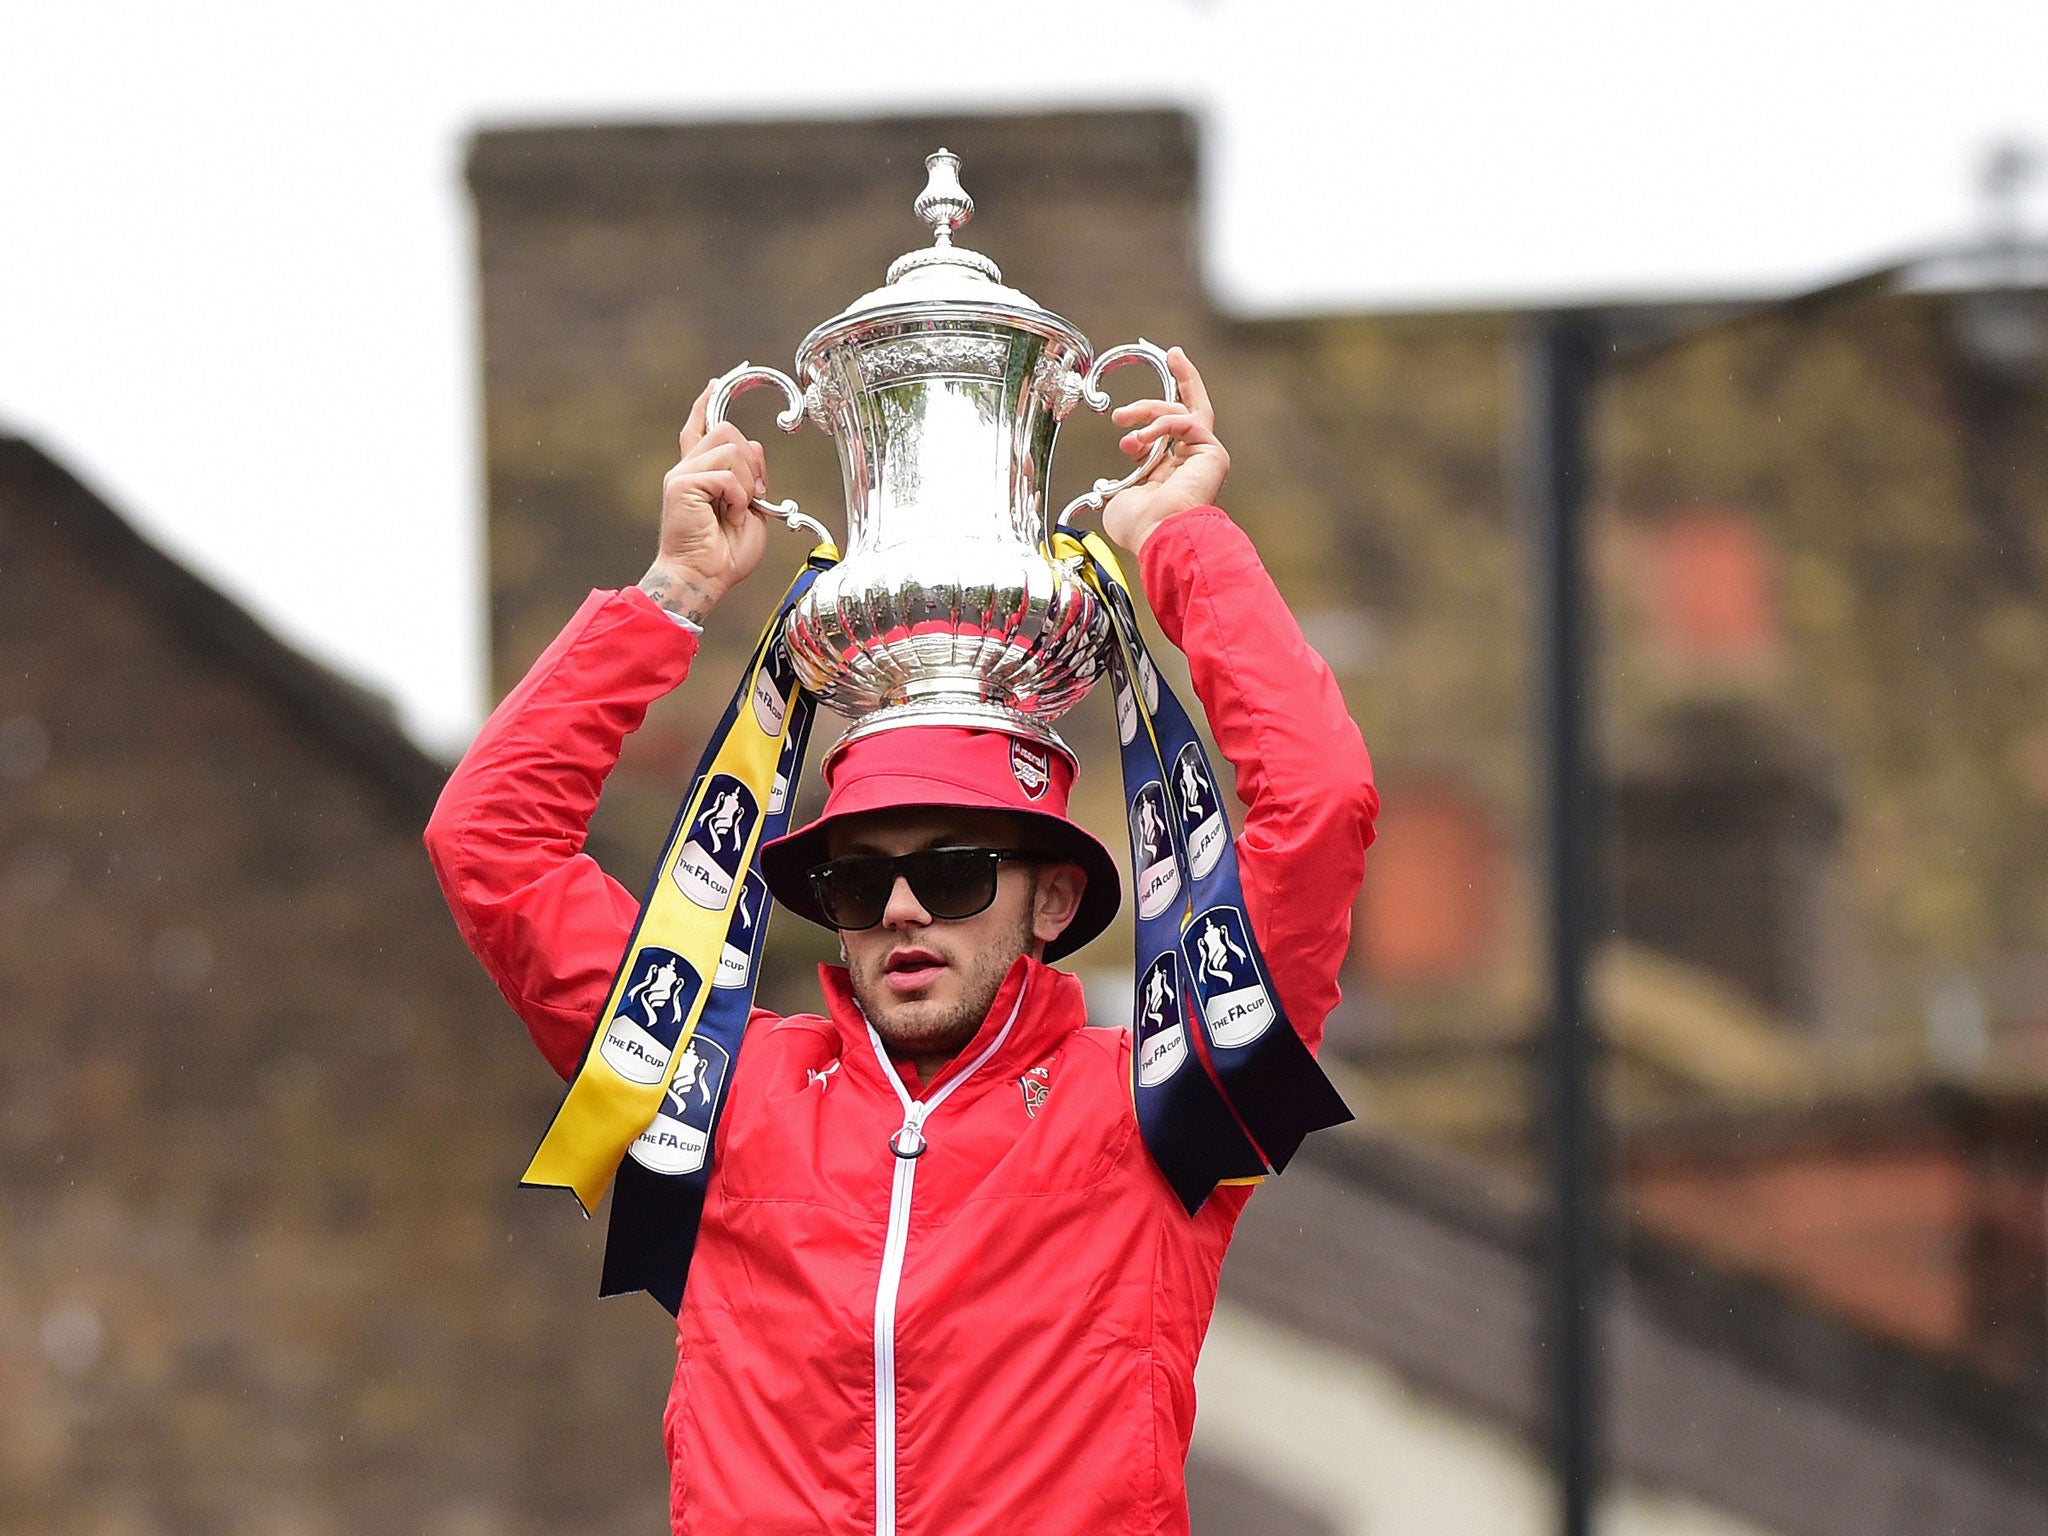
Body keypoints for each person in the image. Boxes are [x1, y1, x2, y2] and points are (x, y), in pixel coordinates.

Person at [424, 348, 1377, 1536]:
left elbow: (1318, 802)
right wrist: (669, 594)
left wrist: (1179, 542)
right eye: (858, 880)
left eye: (954, 870)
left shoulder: (1157, 1099)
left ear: (1048, 899)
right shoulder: (725, 1089)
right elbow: (489, 843)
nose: (904, 910)